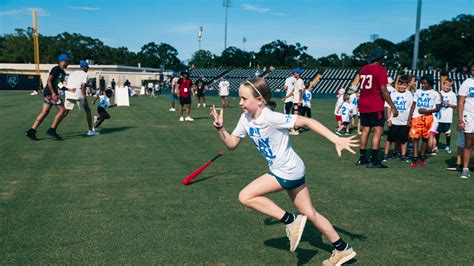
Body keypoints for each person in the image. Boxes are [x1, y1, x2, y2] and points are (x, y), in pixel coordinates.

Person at [210, 78, 358, 265]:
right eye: (240, 98)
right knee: (309, 212)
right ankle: (343, 249)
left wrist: (335, 139)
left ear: (260, 100)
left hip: (287, 170)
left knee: (245, 196)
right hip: (291, 169)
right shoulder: (245, 119)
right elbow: (231, 144)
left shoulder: (271, 117)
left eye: (244, 99)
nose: (240, 103)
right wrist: (220, 128)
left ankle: (291, 220)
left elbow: (308, 121)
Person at [356, 48, 398, 168]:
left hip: (363, 104)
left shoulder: (364, 69)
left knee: (365, 130)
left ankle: (362, 158)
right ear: (380, 58)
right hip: (375, 104)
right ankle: (374, 161)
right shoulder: (380, 69)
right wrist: (392, 107)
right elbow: (384, 90)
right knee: (378, 131)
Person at [26, 54, 75, 141]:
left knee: (44, 112)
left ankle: (32, 131)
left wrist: (68, 89)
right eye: (67, 61)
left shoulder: (63, 72)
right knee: (63, 110)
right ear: (62, 61)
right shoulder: (56, 69)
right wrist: (53, 93)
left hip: (49, 93)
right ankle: (52, 130)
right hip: (51, 94)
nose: (68, 63)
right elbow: (49, 80)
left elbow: (59, 84)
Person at [407, 75, 441, 167]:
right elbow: (413, 105)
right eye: (422, 83)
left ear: (429, 83)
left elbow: (437, 108)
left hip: (428, 117)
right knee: (415, 137)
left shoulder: (435, 93)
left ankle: (421, 157)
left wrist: (426, 111)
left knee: (425, 138)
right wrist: (409, 117)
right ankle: (414, 158)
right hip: (416, 117)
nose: (422, 85)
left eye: (424, 83)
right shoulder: (418, 92)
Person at [383, 75, 413, 162]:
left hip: (404, 121)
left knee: (404, 140)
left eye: (404, 85)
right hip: (394, 121)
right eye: (400, 84)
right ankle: (385, 155)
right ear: (397, 84)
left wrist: (409, 119)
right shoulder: (393, 94)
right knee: (390, 139)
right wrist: (389, 119)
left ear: (407, 85)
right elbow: (388, 107)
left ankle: (403, 155)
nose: (402, 86)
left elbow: (411, 108)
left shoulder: (409, 94)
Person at [62, 60, 97, 136]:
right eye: (87, 67)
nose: (87, 69)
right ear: (84, 67)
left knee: (65, 112)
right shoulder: (85, 74)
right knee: (87, 110)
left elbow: (68, 83)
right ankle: (90, 131)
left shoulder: (72, 73)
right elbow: (83, 87)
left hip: (68, 93)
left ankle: (53, 128)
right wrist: (85, 98)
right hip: (77, 93)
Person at [457, 64, 474, 179]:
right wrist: (460, 120)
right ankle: (465, 168)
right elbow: (461, 103)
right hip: (469, 115)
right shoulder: (467, 83)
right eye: (473, 70)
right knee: (469, 142)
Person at [436, 79, 457, 153]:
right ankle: (436, 145)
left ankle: (448, 146)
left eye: (449, 86)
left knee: (447, 132)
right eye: (446, 85)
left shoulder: (452, 94)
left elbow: (455, 106)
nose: (447, 87)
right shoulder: (438, 93)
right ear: (443, 85)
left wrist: (448, 104)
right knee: (437, 131)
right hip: (438, 117)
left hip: (447, 117)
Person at [290, 68, 304, 135]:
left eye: (294, 73)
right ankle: (295, 127)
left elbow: (300, 91)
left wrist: (300, 100)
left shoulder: (300, 81)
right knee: (296, 115)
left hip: (297, 101)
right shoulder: (297, 81)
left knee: (295, 115)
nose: (293, 74)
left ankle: (294, 129)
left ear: (298, 74)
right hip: (295, 101)